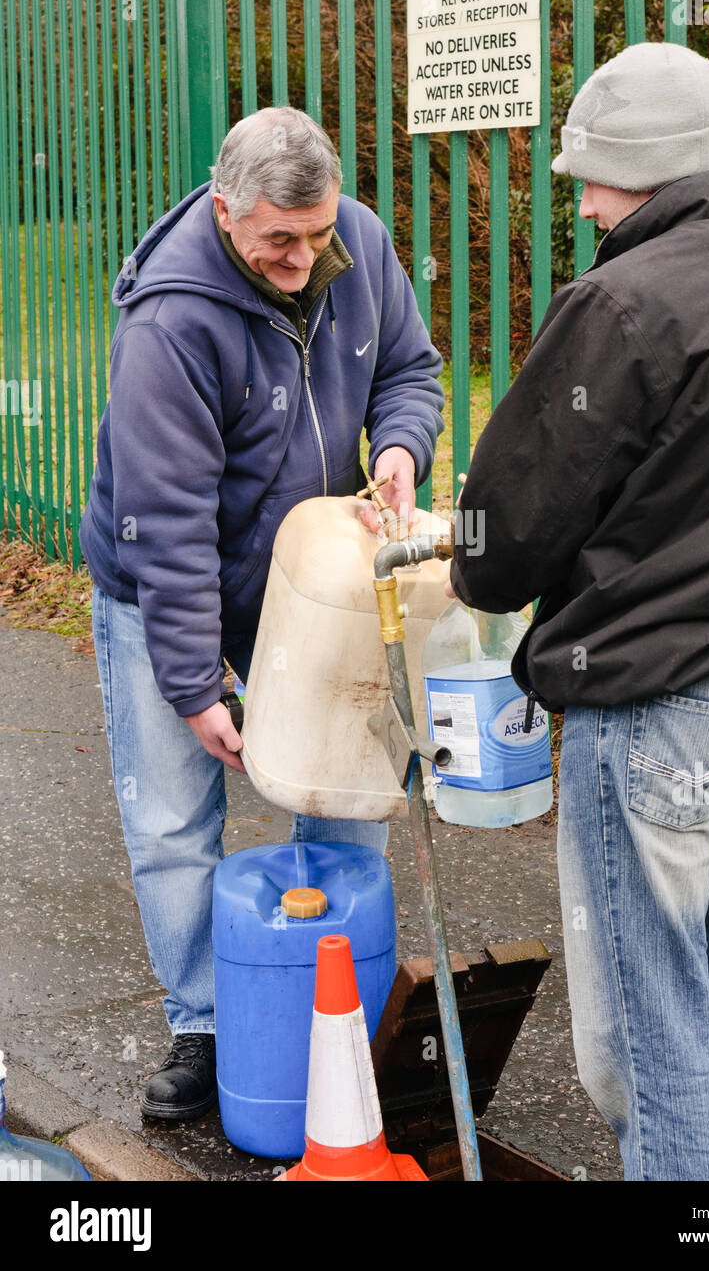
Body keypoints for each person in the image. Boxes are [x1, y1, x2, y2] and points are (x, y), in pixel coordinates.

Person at [446, 42, 709, 1180]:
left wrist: (477, 578)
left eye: (591, 177)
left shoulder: (625, 296)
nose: (580, 203)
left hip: (650, 697)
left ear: (643, 168)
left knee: (656, 1008)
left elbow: (512, 514)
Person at [79, 106, 445, 1120]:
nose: (302, 257)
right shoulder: (170, 323)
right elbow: (167, 526)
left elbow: (410, 371)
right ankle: (206, 1027)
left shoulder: (358, 243)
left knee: (343, 795)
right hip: (170, 575)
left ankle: (338, 1015)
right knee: (172, 815)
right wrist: (198, 685)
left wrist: (399, 448)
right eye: (278, 239)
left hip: (315, 582)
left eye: (316, 232)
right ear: (223, 205)